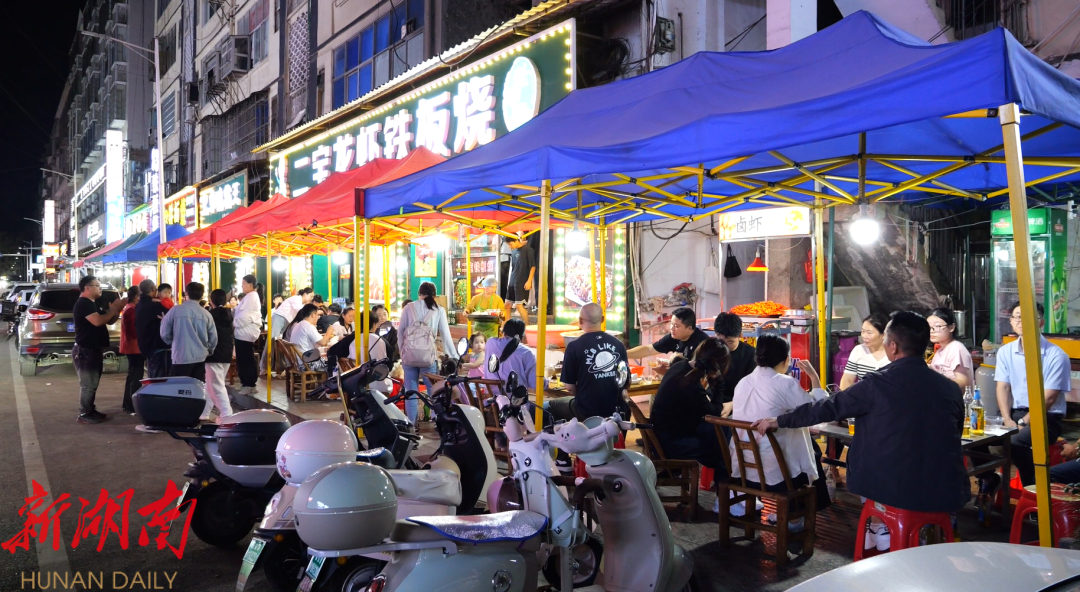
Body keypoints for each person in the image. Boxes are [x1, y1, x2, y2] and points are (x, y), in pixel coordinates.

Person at [752, 311, 969, 552]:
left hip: (893, 488)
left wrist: (780, 420)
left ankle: (879, 526)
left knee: (871, 454)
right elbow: (956, 432)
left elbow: (827, 408)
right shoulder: (950, 388)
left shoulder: (877, 384)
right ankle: (904, 530)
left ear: (893, 346)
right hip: (945, 490)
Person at [731, 334, 830, 527]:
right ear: (786, 360)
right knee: (811, 457)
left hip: (743, 468)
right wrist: (814, 378)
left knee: (810, 449)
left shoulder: (743, 382)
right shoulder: (784, 383)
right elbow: (819, 410)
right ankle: (795, 518)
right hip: (775, 473)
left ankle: (793, 514)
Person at [989, 301, 1071, 489]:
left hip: (1046, 417)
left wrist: (1023, 422)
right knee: (978, 439)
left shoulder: (1056, 355)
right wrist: (1007, 418)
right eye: (1018, 317)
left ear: (1041, 322)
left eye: (1029, 317)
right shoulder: (1005, 351)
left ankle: (1034, 490)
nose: (1022, 321)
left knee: (1016, 442)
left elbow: (1049, 398)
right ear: (1011, 321)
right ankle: (989, 479)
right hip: (1014, 413)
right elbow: (1003, 387)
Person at [650, 337, 731, 470]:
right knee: (720, 446)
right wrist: (719, 382)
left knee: (720, 432)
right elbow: (715, 413)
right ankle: (724, 480)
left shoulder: (680, 366)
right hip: (669, 444)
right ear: (718, 367)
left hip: (662, 436)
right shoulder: (690, 383)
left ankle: (723, 479)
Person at [549, 303, 628, 422]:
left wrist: (582, 396)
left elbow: (569, 387)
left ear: (580, 321)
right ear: (603, 319)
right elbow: (625, 380)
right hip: (618, 411)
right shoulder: (618, 344)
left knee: (549, 406)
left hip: (586, 410)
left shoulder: (573, 346)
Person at [398, 282, 457, 423]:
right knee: (433, 390)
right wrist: (454, 356)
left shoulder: (408, 307)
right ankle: (436, 420)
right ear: (435, 296)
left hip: (409, 356)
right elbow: (445, 335)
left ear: (419, 294)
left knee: (411, 391)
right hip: (428, 357)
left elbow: (400, 333)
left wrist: (402, 352)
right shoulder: (439, 310)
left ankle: (412, 423)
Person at [73, 276, 125, 424]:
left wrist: (116, 310)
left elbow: (108, 320)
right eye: (97, 285)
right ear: (87, 288)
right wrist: (113, 310)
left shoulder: (92, 304)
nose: (100, 288)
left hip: (94, 349)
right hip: (85, 350)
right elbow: (98, 321)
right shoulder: (84, 304)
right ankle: (84, 413)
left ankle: (90, 409)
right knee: (88, 384)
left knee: (93, 383)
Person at [161, 282, 218, 381]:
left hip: (180, 356)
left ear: (186, 293)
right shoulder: (206, 314)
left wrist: (173, 342)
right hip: (200, 357)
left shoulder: (175, 310)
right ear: (202, 295)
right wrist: (209, 350)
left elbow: (164, 333)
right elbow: (213, 337)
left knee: (178, 388)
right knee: (197, 388)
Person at [627, 307, 708, 361]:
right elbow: (648, 350)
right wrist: (623, 354)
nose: (671, 328)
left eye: (676, 326)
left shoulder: (703, 343)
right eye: (671, 324)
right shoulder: (673, 337)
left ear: (689, 329)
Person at [262, 287, 314, 370]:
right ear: (305, 294)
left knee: (278, 344)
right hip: (279, 318)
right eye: (310, 296)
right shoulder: (297, 299)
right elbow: (301, 312)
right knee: (271, 343)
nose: (311, 298)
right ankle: (264, 367)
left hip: (284, 321)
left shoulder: (301, 303)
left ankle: (278, 367)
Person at [204, 289, 235, 422]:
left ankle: (227, 415)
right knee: (211, 385)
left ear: (211, 301)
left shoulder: (210, 315)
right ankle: (204, 412)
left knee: (216, 386)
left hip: (214, 354)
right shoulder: (229, 314)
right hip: (226, 353)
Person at [714, 312, 756, 407]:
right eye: (721, 341)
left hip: (740, 403)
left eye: (730, 342)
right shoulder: (711, 351)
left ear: (741, 335)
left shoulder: (751, 355)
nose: (724, 346)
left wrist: (732, 404)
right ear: (716, 335)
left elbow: (753, 389)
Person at [839, 313, 891, 389]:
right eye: (863, 331)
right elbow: (847, 380)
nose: (864, 336)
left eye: (869, 333)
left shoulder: (894, 353)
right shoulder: (858, 350)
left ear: (884, 335)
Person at [928, 307, 974, 392]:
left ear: (951, 327)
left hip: (954, 399)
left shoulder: (956, 348)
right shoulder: (940, 350)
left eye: (937, 326)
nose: (931, 331)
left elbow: (963, 383)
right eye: (929, 327)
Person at [483, 320, 536, 390]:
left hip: (490, 395)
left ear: (503, 331)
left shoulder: (490, 343)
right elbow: (533, 383)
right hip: (514, 396)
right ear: (522, 335)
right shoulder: (526, 352)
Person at [232, 275, 263, 396]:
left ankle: (249, 384)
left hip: (245, 333)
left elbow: (246, 317)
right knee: (243, 359)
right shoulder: (249, 296)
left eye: (244, 284)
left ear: (250, 284)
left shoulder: (252, 297)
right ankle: (245, 382)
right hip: (242, 333)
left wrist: (235, 323)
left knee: (246, 359)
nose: (242, 286)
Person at [136, 279, 172, 378]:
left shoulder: (139, 304)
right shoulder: (155, 306)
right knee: (161, 379)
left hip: (146, 346)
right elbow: (172, 316)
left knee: (153, 378)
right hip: (158, 347)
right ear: (152, 289)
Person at [284, 303, 332, 371]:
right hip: (308, 364)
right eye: (317, 315)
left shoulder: (299, 325)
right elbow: (323, 343)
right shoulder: (308, 326)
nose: (318, 317)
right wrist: (329, 331)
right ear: (313, 315)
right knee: (334, 364)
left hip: (299, 363)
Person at [119, 286, 143, 415]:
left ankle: (128, 404)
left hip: (132, 347)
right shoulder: (131, 310)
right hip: (134, 348)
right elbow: (133, 332)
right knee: (136, 376)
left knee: (133, 375)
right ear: (136, 297)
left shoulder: (129, 309)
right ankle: (132, 405)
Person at [504, 232, 536, 325]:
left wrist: (529, 281)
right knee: (507, 305)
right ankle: (506, 327)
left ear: (516, 240)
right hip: (512, 281)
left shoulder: (528, 250)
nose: (510, 246)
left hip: (522, 281)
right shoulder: (513, 252)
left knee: (519, 305)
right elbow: (514, 268)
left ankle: (527, 326)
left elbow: (533, 266)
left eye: (510, 244)